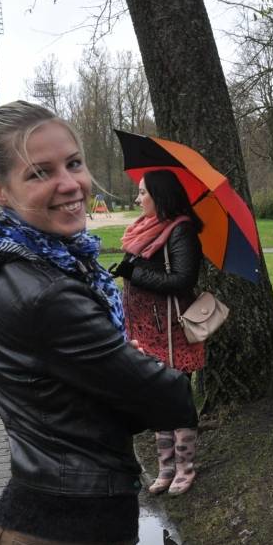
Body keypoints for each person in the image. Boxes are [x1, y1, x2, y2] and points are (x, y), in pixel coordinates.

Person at [0, 100, 197, 545]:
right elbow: (168, 400)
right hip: (72, 544)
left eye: (74, 163)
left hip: (26, 523)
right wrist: (136, 363)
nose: (71, 184)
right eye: (40, 173)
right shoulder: (49, 291)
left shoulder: (0, 265)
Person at [111, 169, 204, 496]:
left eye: (142, 193)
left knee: (176, 397)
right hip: (144, 330)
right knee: (155, 398)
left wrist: (134, 273)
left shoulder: (181, 230)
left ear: (160, 195)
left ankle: (184, 468)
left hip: (171, 330)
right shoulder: (143, 229)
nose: (138, 199)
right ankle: (165, 468)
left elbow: (182, 281)